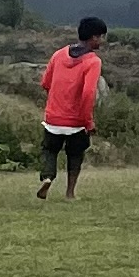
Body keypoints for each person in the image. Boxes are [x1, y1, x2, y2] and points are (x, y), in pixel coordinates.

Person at [35, 17, 107, 198]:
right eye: (101, 37)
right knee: (75, 156)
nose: (102, 41)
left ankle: (48, 177)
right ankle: (70, 192)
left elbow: (45, 83)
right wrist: (88, 121)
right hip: (76, 121)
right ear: (94, 38)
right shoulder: (93, 61)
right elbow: (88, 93)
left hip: (53, 118)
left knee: (49, 150)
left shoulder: (58, 54)